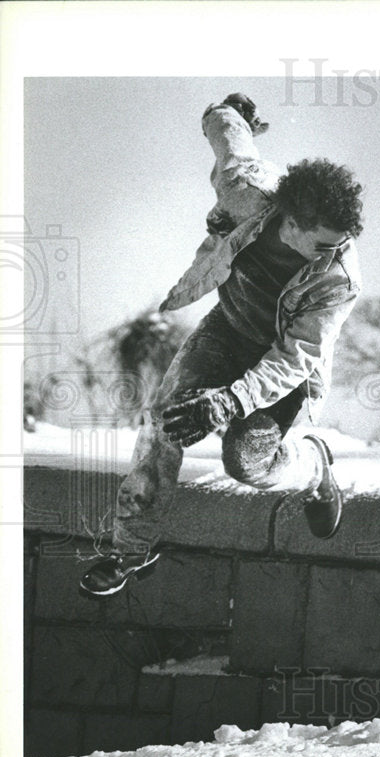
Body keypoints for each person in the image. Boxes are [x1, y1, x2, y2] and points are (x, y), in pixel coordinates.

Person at [80, 93, 363, 596]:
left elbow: (296, 357)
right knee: (164, 418)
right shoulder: (246, 189)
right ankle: (130, 548)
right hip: (228, 329)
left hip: (284, 368)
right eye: (325, 243)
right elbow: (229, 141)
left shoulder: (338, 279)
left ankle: (314, 463)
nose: (335, 253)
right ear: (291, 220)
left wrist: (231, 400)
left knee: (244, 462)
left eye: (341, 243)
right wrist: (228, 111)